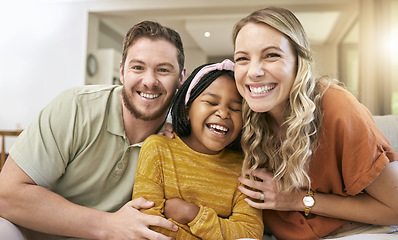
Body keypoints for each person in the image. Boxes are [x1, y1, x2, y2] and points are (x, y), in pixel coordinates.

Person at [0, 20, 186, 240]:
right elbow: (6, 195)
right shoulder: (75, 107)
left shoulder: (180, 137)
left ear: (181, 78)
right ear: (122, 71)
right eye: (138, 67)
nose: (149, 81)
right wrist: (108, 225)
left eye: (163, 70)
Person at [232, 7, 398, 240]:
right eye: (242, 59)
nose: (254, 71)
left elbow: (396, 208)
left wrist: (297, 200)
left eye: (271, 55)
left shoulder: (335, 105)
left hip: (362, 233)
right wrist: (176, 132)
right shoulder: (237, 115)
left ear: (298, 62)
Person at [132, 59, 264, 239]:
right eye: (211, 102)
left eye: (235, 108)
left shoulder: (245, 168)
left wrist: (193, 214)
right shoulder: (157, 149)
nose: (223, 113)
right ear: (187, 110)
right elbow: (147, 225)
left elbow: (249, 234)